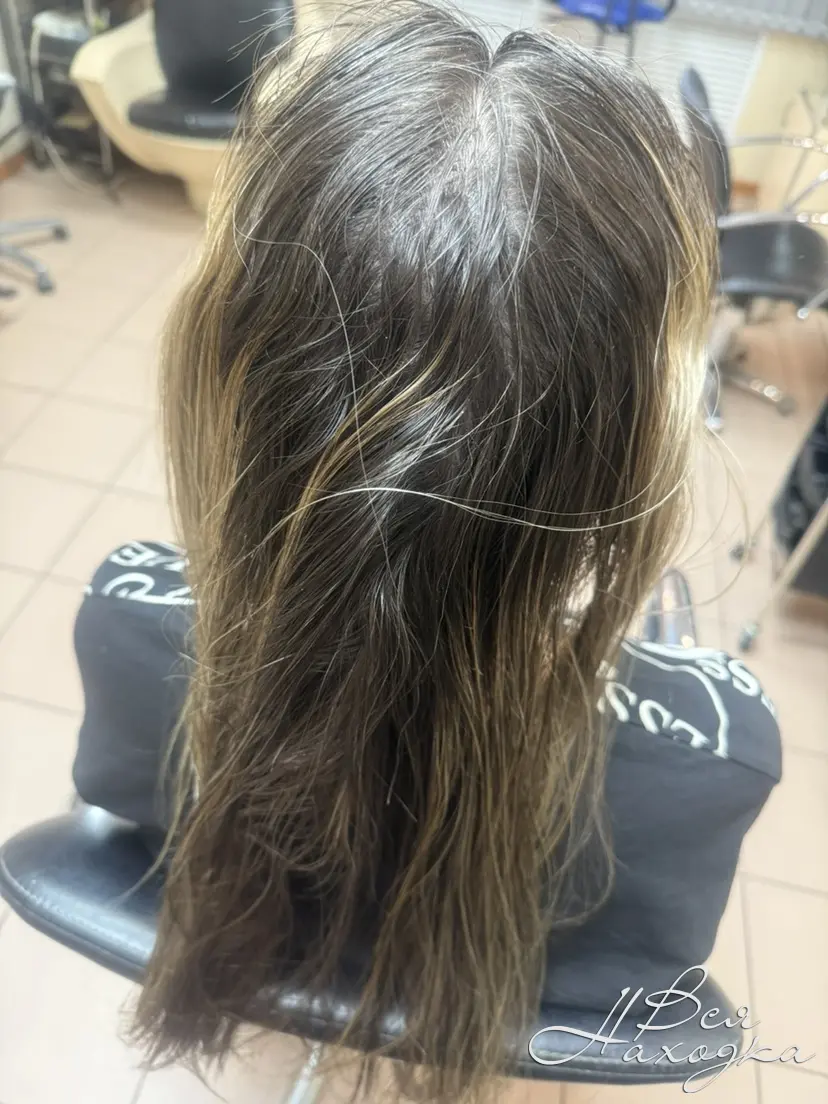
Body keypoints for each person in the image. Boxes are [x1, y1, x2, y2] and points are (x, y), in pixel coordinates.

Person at [71, 4, 781, 1101]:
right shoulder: (715, 753)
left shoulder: (127, 619)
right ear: (633, 438)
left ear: (228, 374)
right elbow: (629, 984)